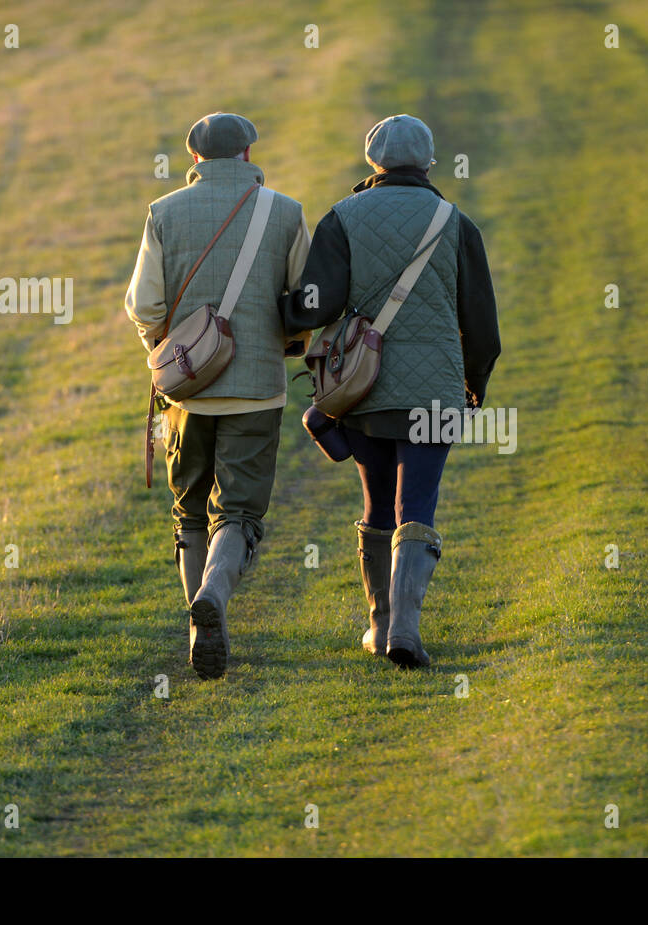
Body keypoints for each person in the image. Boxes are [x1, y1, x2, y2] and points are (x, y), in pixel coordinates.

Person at [283, 114, 500, 668]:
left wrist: (286, 317)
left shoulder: (343, 217)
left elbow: (315, 304)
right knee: (417, 503)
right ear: (428, 163)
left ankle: (378, 627)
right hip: (435, 392)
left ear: (372, 161)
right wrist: (472, 385)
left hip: (363, 388)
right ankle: (406, 628)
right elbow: (482, 328)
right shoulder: (456, 223)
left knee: (377, 502)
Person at [126, 112, 310, 680]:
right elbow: (306, 297)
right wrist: (290, 343)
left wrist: (164, 349)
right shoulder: (284, 211)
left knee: (189, 513)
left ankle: (198, 623)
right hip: (256, 389)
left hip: (186, 394)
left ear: (196, 160)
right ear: (248, 156)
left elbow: (144, 305)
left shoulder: (163, 213)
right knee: (239, 512)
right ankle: (216, 597)